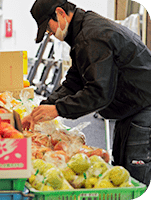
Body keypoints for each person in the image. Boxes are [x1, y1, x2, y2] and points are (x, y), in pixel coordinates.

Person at [22, 0, 151, 186]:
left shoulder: (92, 36)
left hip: (144, 107)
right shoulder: (83, 32)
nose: (50, 34)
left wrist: (58, 109)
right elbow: (75, 81)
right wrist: (44, 107)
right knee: (121, 172)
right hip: (130, 108)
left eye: (48, 28)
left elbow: (98, 92)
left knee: (135, 177)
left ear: (60, 13)